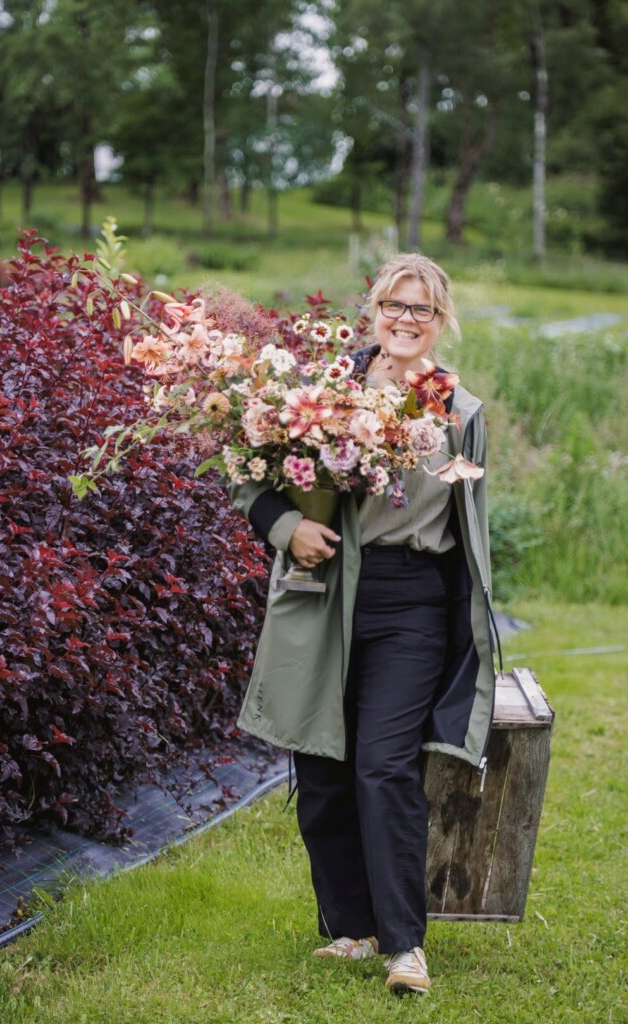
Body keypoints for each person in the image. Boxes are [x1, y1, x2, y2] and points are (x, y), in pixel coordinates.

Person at [230, 252, 496, 996]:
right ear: (371, 309)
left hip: (411, 601)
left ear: (441, 321)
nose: (405, 319)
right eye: (393, 304)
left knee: (384, 765)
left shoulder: (457, 411)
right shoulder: (322, 392)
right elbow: (247, 473)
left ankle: (405, 946)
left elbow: (466, 526)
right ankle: (351, 927)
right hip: (326, 593)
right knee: (320, 764)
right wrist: (287, 528)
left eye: (422, 309)